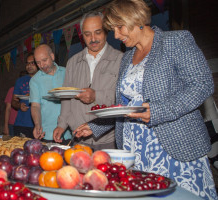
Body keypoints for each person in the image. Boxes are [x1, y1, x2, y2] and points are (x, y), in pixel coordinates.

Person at [74, 0, 217, 199]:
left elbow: (202, 84)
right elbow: (124, 106)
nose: (116, 35)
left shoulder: (176, 41)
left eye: (119, 27)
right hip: (137, 148)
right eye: (113, 29)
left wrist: (160, 110)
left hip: (174, 143)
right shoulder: (127, 57)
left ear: (136, 20)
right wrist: (96, 126)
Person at [53, 11, 123, 150]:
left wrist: (97, 95)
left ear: (106, 31)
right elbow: (66, 97)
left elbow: (123, 100)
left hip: (108, 139)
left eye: (98, 32)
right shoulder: (73, 62)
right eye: (87, 34)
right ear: (82, 35)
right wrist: (62, 124)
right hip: (79, 137)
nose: (93, 38)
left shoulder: (120, 59)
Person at [30, 44, 71, 143]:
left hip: (70, 131)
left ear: (52, 56)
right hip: (47, 133)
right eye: (38, 63)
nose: (42, 65)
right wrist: (37, 124)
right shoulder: (35, 80)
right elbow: (35, 106)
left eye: (44, 60)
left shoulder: (67, 72)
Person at [11, 53, 38, 138]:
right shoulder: (20, 81)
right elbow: (13, 101)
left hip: (39, 125)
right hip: (22, 124)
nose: (29, 66)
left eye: (32, 63)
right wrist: (19, 105)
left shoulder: (43, 79)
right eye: (27, 63)